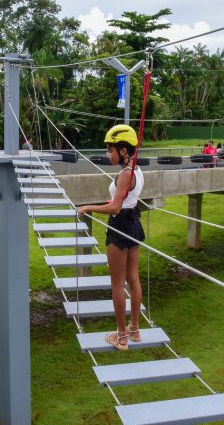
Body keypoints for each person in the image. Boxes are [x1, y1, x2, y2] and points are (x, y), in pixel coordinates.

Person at [77, 125, 145, 351]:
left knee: (117, 283)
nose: (109, 154)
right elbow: (124, 202)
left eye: (111, 150)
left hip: (119, 227)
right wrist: (106, 205)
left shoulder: (125, 174)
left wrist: (88, 207)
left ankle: (121, 336)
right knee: (133, 279)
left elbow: (116, 207)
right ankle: (134, 330)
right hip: (133, 223)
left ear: (123, 150)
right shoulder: (136, 170)